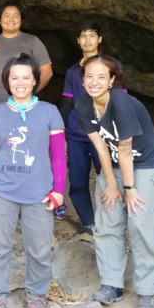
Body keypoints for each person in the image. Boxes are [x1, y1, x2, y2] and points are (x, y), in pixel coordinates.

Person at [0, 53, 66, 308]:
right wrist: (0, 167)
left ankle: (36, 296)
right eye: (14, 77)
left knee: (39, 250)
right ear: (7, 81)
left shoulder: (50, 111)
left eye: (26, 77)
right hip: (1, 191)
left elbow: (59, 155)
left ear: (36, 80)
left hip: (39, 192)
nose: (20, 82)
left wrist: (58, 190)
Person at [74, 55, 154, 308]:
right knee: (108, 219)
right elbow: (100, 146)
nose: (94, 82)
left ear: (112, 80)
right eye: (89, 76)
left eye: (101, 77)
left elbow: (125, 150)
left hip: (143, 162)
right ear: (82, 79)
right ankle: (112, 283)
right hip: (113, 163)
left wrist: (129, 188)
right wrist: (111, 184)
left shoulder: (122, 104)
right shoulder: (83, 104)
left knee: (140, 221)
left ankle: (147, 289)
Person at [0, 4, 53, 119]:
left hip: (23, 103)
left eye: (16, 16)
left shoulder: (32, 41)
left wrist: (30, 91)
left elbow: (47, 72)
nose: (11, 19)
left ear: (21, 20)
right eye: (7, 16)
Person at [60, 21, 103, 234]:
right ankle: (89, 224)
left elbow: (120, 103)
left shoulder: (110, 67)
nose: (87, 40)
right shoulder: (72, 72)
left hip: (103, 134)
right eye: (83, 36)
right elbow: (67, 104)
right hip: (76, 134)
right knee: (77, 182)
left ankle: (110, 223)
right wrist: (62, 137)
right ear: (78, 41)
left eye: (92, 35)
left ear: (99, 40)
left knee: (108, 180)